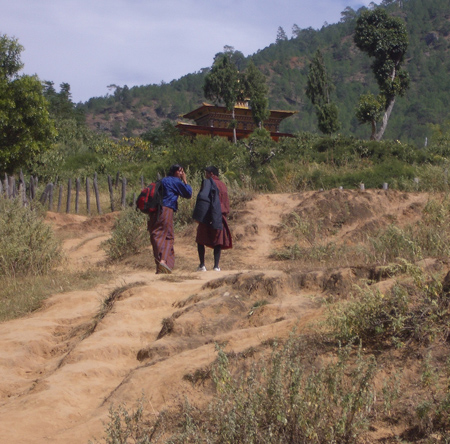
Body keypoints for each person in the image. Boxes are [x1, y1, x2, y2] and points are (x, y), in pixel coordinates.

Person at [148, 164, 192, 274]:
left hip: (155, 212)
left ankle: (159, 264)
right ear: (175, 172)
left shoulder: (163, 180)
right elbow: (188, 194)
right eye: (180, 171)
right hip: (166, 209)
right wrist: (185, 180)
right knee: (168, 236)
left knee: (156, 234)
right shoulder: (175, 181)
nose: (181, 173)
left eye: (182, 171)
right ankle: (164, 261)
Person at [193, 166, 232, 271]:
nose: (205, 175)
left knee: (200, 240)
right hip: (219, 215)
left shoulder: (207, 183)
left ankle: (202, 265)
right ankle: (216, 266)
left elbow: (202, 199)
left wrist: (198, 215)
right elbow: (226, 202)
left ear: (211, 174)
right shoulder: (223, 185)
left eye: (206, 173)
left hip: (206, 214)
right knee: (218, 240)